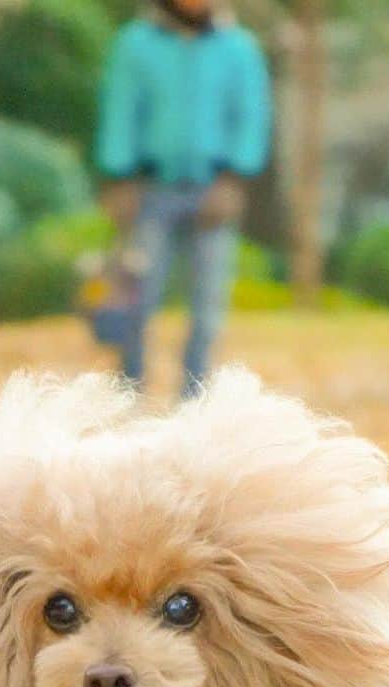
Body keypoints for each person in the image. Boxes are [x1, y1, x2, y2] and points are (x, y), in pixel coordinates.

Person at [95, 0, 271, 397]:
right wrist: (119, 177)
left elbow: (251, 117)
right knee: (135, 304)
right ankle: (128, 401)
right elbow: (120, 109)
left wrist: (233, 180)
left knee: (208, 311)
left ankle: (194, 406)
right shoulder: (135, 44)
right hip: (149, 190)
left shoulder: (239, 48)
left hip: (214, 190)